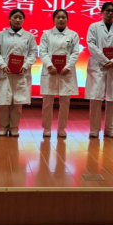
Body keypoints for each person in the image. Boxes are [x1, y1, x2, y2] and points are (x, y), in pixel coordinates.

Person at [0, 9, 38, 138]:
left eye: (20, 18)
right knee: (4, 103)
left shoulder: (29, 36)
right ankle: (2, 127)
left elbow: (33, 53)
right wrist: (3, 65)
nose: (17, 20)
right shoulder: (1, 35)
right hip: (5, 72)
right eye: (15, 17)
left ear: (23, 20)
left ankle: (14, 128)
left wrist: (25, 65)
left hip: (21, 73)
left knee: (17, 103)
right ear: (9, 19)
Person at [85, 2, 113, 139]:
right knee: (95, 98)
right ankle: (94, 129)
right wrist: (104, 60)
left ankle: (110, 129)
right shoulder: (94, 27)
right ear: (102, 12)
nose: (110, 13)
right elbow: (91, 45)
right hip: (98, 66)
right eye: (107, 10)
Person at [40, 9, 80, 138]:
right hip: (50, 71)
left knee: (65, 103)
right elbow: (43, 51)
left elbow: (75, 52)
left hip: (66, 72)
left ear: (67, 19)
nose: (61, 19)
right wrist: (49, 65)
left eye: (63, 17)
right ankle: (47, 128)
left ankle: (61, 128)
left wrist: (68, 66)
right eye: (58, 17)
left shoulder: (73, 35)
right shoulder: (46, 34)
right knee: (47, 102)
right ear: (54, 19)